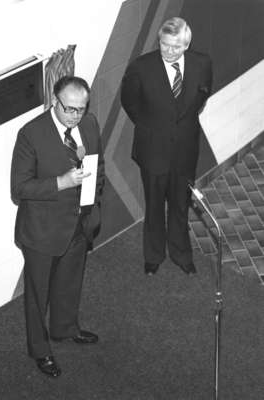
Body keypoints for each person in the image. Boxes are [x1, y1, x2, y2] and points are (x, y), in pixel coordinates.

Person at [11, 76, 105, 377]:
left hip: (79, 223)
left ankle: (65, 328)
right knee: (38, 294)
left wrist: (93, 204)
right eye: (69, 109)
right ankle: (40, 351)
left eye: (81, 109)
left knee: (69, 282)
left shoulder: (89, 124)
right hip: (41, 230)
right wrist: (61, 183)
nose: (76, 116)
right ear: (55, 101)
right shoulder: (31, 134)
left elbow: (98, 166)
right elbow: (20, 188)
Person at [121, 17, 212, 276]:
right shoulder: (140, 67)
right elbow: (130, 103)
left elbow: (203, 94)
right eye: (164, 44)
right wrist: (154, 127)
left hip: (185, 150)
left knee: (180, 204)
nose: (169, 51)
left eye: (176, 47)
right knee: (153, 205)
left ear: (186, 45)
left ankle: (182, 254)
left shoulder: (202, 63)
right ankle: (153, 256)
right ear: (159, 40)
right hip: (153, 150)